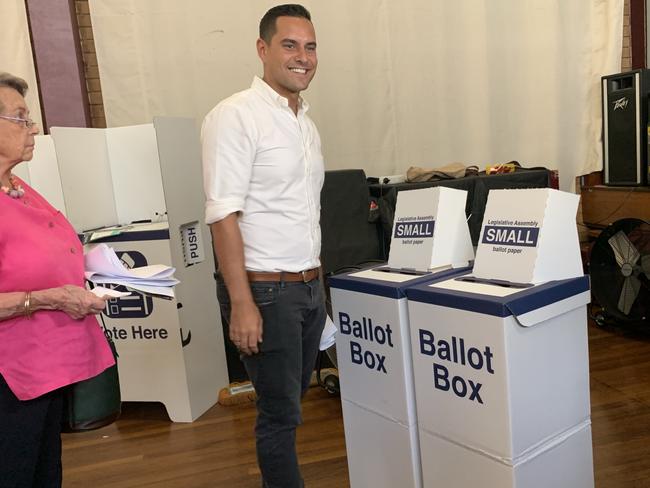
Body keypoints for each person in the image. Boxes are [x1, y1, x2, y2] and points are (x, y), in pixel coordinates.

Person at [201, 4, 326, 487]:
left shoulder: (304, 124)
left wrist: (317, 290)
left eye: (310, 46)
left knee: (291, 403)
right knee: (279, 415)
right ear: (263, 49)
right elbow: (222, 216)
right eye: (289, 45)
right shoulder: (235, 116)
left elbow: (303, 217)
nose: (303, 56)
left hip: (307, 288)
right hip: (265, 293)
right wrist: (242, 304)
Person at [0, 72, 115, 487]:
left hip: (43, 367)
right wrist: (49, 298)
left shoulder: (18, 188)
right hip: (9, 375)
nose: (32, 128)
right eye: (20, 118)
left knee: (44, 472)